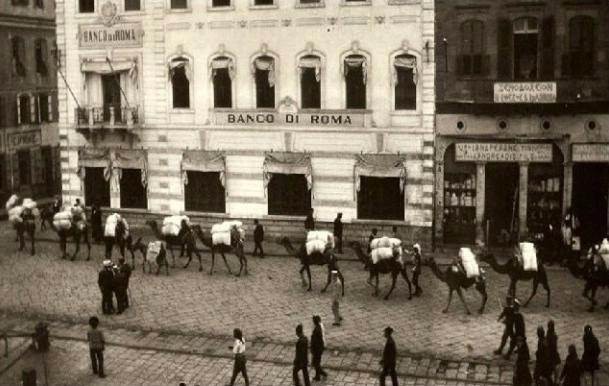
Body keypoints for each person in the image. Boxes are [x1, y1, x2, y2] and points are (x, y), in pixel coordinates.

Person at [310, 315, 327, 381]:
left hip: (317, 350)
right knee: (317, 363)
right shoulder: (318, 327)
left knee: (316, 363)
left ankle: (323, 373)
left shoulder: (316, 330)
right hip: (319, 349)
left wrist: (313, 350)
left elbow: (315, 342)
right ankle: (317, 376)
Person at [546, 320, 561, 385]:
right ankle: (555, 382)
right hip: (553, 355)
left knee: (553, 370)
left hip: (551, 355)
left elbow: (552, 346)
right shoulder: (551, 334)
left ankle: (554, 382)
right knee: (555, 370)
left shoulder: (550, 334)